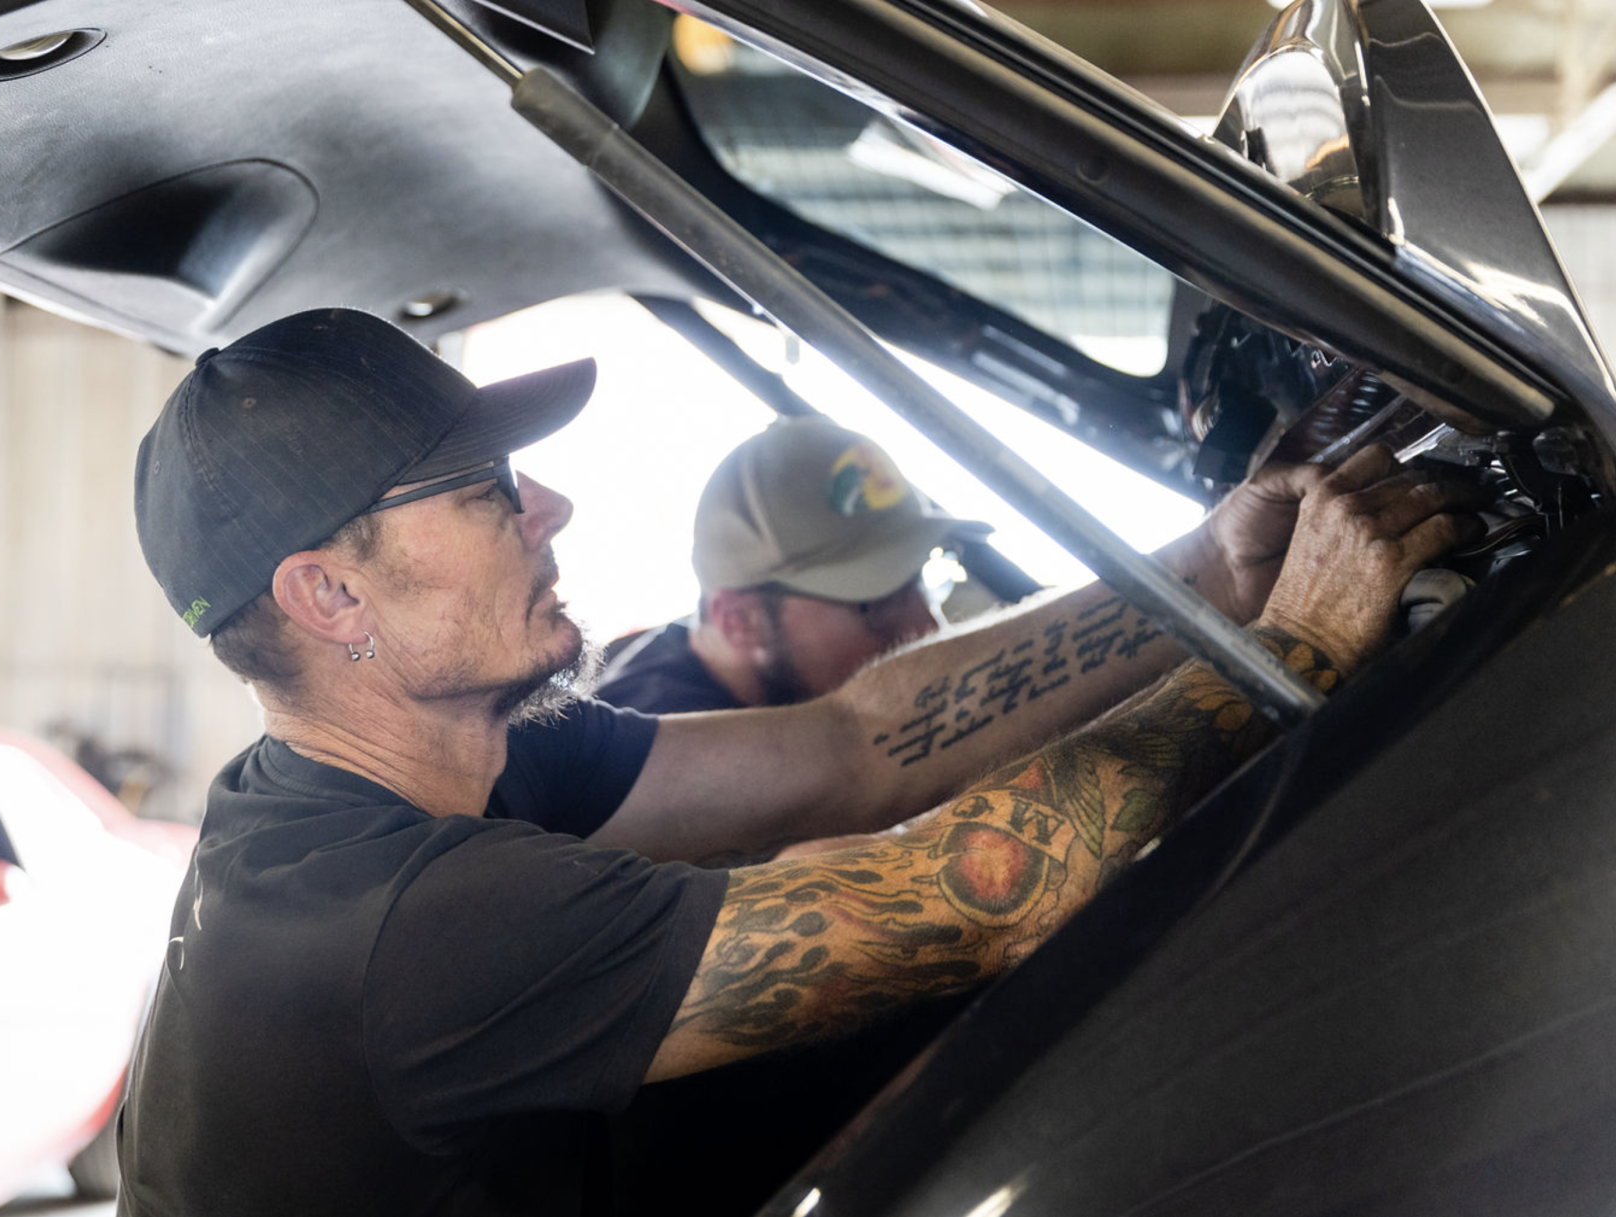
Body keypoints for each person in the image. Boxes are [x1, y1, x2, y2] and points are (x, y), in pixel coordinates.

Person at [117, 308, 1478, 1217]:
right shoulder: (413, 925)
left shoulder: (440, 765)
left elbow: (857, 747)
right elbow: (974, 892)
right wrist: (1293, 651)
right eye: (485, 492)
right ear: (328, 598)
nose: (551, 508)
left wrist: (1207, 576)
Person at [596, 415, 1039, 716]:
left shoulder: (743, 660)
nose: (928, 628)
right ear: (739, 621)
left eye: (922, 580)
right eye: (876, 605)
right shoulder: (657, 760)